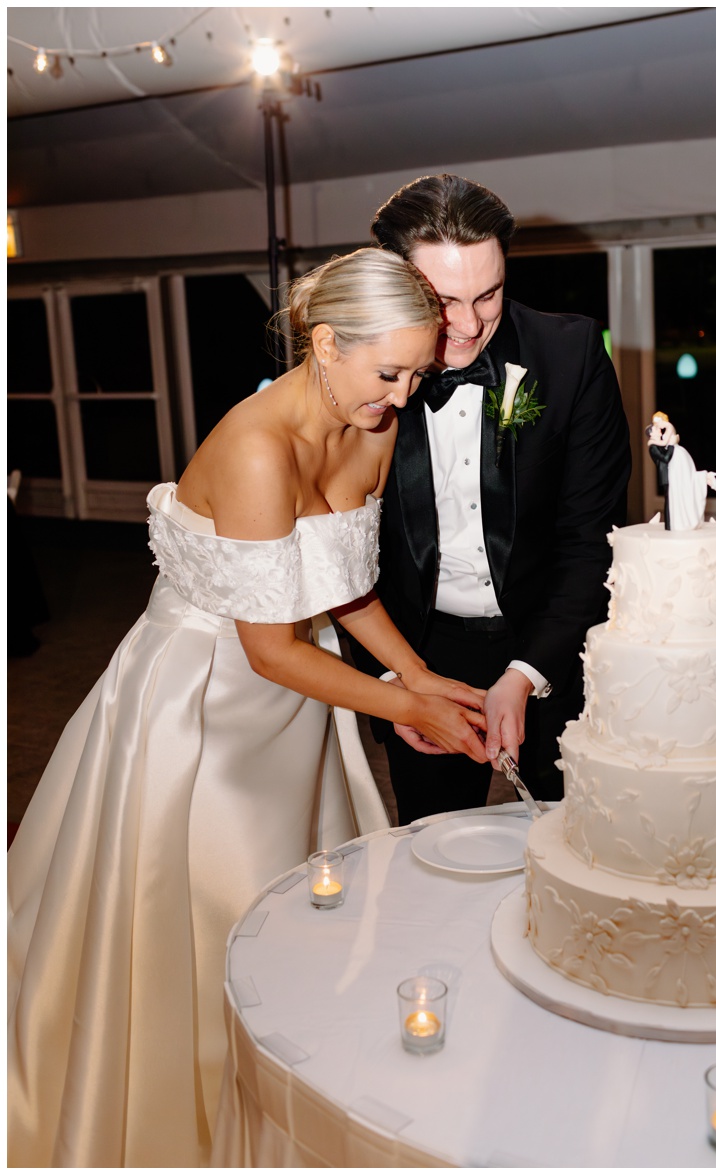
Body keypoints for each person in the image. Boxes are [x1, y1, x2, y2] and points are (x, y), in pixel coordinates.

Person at [7, 248, 489, 1166]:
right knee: (205, 917)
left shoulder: (373, 422)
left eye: (417, 373)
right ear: (324, 342)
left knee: (307, 919)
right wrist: (400, 707)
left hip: (300, 698)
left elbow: (338, 585)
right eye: (387, 371)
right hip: (202, 709)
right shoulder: (255, 445)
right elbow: (268, 646)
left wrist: (416, 676)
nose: (399, 395)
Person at [359, 174, 631, 823]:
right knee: (434, 853)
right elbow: (341, 549)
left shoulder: (570, 357)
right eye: (444, 300)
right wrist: (397, 687)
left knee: (578, 850)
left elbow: (590, 538)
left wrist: (528, 671)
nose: (471, 323)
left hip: (551, 642)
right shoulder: (356, 372)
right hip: (416, 653)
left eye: (489, 294)